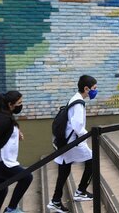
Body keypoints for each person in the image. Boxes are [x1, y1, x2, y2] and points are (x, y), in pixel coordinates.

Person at [47, 75, 98, 213]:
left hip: (66, 140)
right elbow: (77, 126)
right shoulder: (79, 103)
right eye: (94, 88)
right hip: (73, 142)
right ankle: (80, 191)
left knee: (64, 169)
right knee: (92, 160)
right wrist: (87, 136)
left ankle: (56, 200)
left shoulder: (75, 98)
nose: (95, 91)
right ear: (86, 88)